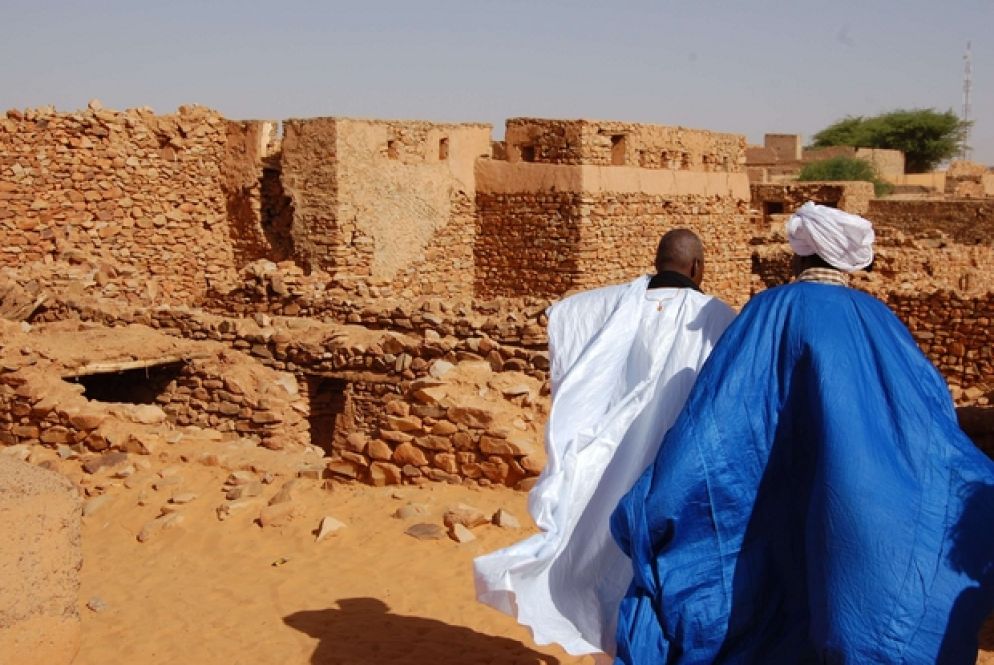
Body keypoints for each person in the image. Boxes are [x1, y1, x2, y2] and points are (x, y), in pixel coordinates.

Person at [611, 202, 994, 664]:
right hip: (856, 512)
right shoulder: (880, 322)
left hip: (770, 513)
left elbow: (715, 422)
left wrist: (653, 502)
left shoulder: (768, 313)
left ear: (798, 256)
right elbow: (929, 418)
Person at [474, 229, 736, 660]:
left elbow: (565, 315)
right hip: (676, 470)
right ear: (697, 268)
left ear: (658, 261)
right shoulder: (717, 317)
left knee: (602, 552)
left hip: (611, 465)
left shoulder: (618, 302)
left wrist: (549, 313)